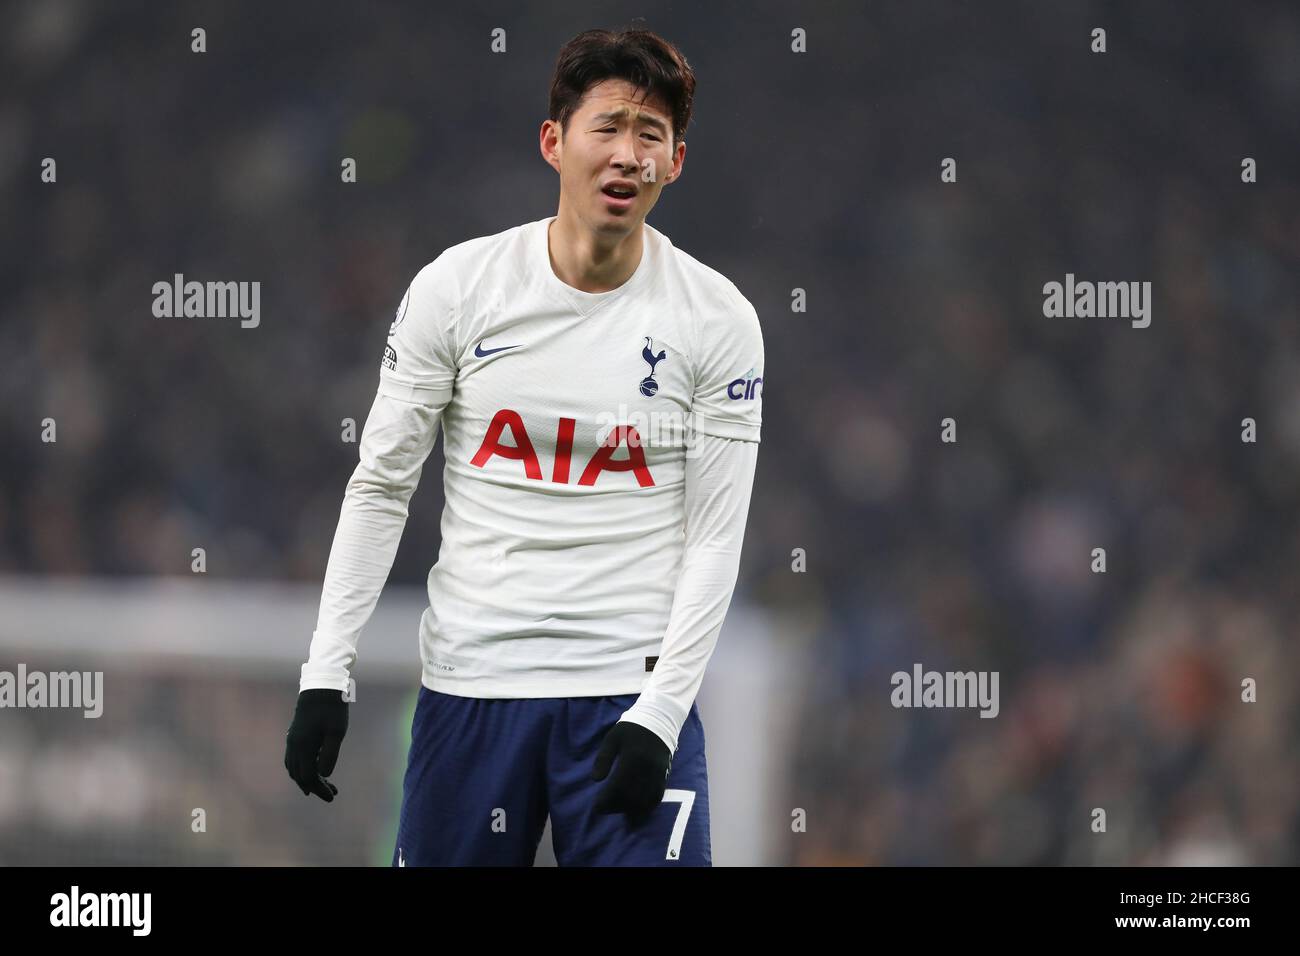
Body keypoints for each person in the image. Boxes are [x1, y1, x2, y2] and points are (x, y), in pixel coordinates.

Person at [284, 26, 764, 866]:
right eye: (607, 126)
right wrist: (328, 668)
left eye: (650, 135)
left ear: (675, 161)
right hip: (475, 689)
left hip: (630, 697)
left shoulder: (718, 321)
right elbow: (382, 484)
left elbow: (716, 534)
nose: (626, 154)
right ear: (555, 142)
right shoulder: (457, 290)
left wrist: (660, 711)